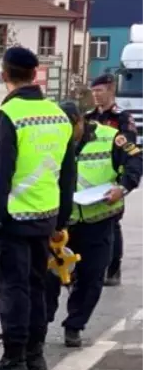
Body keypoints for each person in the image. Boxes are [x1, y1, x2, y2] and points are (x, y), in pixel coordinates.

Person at [0, 47, 76, 370]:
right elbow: (67, 173)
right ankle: (35, 354)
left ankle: (13, 359)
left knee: (12, 289)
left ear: (5, 74)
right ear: (35, 75)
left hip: (14, 219)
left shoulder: (7, 116)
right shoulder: (58, 115)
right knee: (35, 286)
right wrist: (60, 220)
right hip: (45, 216)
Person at [44, 101, 143, 347]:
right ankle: (40, 323)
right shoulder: (52, 138)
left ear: (80, 121)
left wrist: (123, 188)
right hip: (61, 223)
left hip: (98, 220)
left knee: (91, 278)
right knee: (47, 277)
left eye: (69, 128)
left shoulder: (110, 137)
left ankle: (74, 325)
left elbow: (135, 160)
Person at [86, 72, 138, 287]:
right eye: (93, 91)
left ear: (110, 90)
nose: (96, 95)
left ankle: (113, 269)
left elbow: (130, 150)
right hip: (87, 182)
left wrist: (124, 183)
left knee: (111, 224)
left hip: (111, 180)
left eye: (100, 91)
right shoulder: (89, 118)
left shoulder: (122, 119)